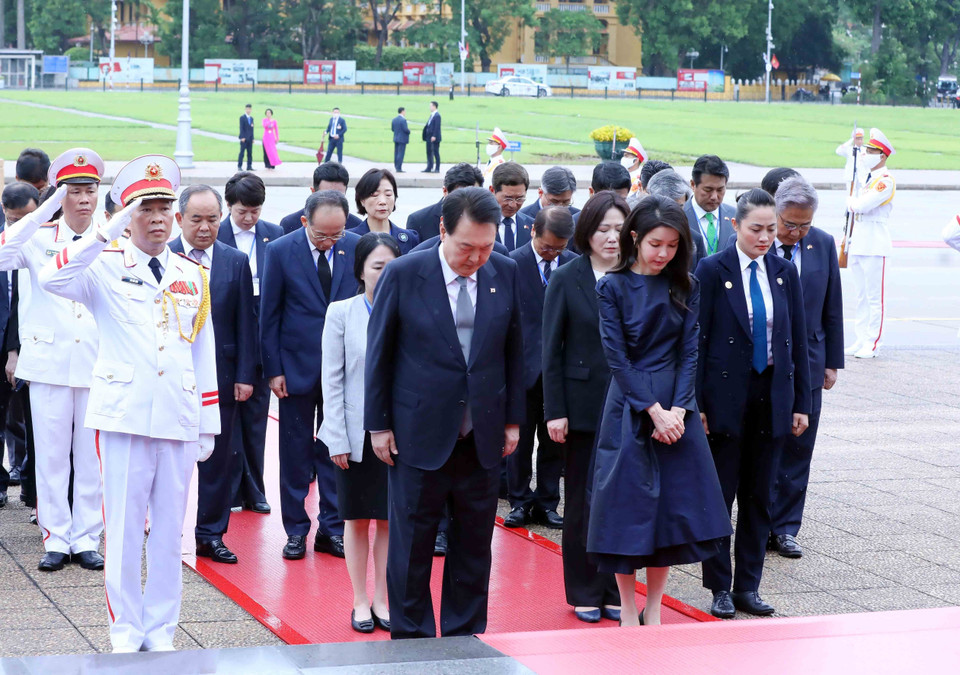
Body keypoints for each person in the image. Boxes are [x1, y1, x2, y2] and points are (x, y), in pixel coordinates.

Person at [39, 154, 219, 653]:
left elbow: (201, 350)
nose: (157, 219)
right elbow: (52, 279)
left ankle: (161, 631)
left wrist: (207, 421)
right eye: (145, 209)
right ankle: (125, 631)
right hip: (123, 415)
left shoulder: (191, 272)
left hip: (177, 415)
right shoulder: (102, 264)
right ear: (125, 214)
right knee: (121, 531)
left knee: (169, 532)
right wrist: (104, 233)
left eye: (164, 209)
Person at [365, 187, 524, 639]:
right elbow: (380, 354)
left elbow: (515, 350)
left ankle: (465, 636)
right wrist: (378, 425)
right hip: (418, 430)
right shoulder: (404, 273)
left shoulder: (504, 271)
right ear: (442, 230)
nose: (476, 258)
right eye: (466, 247)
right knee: (412, 545)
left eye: (486, 247)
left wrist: (513, 420)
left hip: (482, 432)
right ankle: (412, 640)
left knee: (473, 545)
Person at [588, 195, 731, 627]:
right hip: (630, 405)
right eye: (655, 244)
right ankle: (628, 608)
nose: (663, 253)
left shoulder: (686, 284)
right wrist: (654, 411)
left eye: (672, 245)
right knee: (625, 508)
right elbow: (617, 359)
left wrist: (680, 411)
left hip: (675, 404)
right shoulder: (612, 287)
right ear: (635, 237)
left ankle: (655, 607)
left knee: (670, 509)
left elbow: (690, 352)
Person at [695, 188, 811, 619]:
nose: (764, 238)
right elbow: (698, 341)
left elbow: (796, 340)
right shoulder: (712, 270)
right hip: (725, 398)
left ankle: (748, 586)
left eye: (770, 230)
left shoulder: (783, 272)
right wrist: (696, 403)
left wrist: (801, 403)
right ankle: (719, 587)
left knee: (760, 496)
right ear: (735, 226)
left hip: (771, 396)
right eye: (756, 229)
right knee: (720, 496)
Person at [0, 149, 106, 573]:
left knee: (91, 458)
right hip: (48, 362)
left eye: (89, 191)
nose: (83, 199)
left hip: (97, 363)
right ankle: (56, 538)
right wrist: (43, 212)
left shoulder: (112, 238)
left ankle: (87, 537)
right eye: (73, 191)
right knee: (50, 456)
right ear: (60, 195)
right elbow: (3, 252)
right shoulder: (39, 237)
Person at [260, 191, 360, 561]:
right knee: (295, 453)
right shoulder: (280, 250)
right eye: (322, 235)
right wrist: (274, 369)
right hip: (295, 369)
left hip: (343, 371)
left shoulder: (356, 247)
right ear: (305, 222)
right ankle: (296, 530)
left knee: (336, 451)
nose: (330, 241)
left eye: (337, 234)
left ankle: (332, 529)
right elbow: (269, 314)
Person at [542, 190, 626, 623]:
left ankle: (615, 587)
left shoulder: (637, 273)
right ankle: (584, 590)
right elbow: (551, 350)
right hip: (582, 407)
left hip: (629, 407)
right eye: (603, 229)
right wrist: (554, 409)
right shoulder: (567, 277)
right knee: (581, 501)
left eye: (619, 229)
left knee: (620, 502)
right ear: (587, 232)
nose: (612, 238)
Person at [319, 232, 400, 634]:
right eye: (377, 267)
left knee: (388, 520)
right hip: (353, 433)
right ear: (361, 270)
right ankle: (359, 599)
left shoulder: (408, 309)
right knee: (355, 519)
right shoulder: (341, 312)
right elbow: (331, 379)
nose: (385, 274)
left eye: (392, 267)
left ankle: (383, 597)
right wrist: (336, 436)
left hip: (396, 435)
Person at [171, 185, 257, 564]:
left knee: (219, 460)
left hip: (220, 377)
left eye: (212, 219)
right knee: (169, 459)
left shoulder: (235, 261)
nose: (205, 227)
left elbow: (245, 323)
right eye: (196, 219)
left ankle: (210, 535)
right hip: (172, 376)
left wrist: (245, 375)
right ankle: (166, 531)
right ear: (180, 219)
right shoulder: (163, 256)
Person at [765, 176, 843, 559]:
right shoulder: (757, 241)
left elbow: (833, 305)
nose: (795, 232)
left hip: (809, 361)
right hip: (766, 361)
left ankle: (785, 528)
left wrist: (833, 362)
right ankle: (757, 522)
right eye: (789, 224)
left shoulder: (823, 243)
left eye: (804, 225)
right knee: (765, 445)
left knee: (799, 448)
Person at [504, 206, 576, 530]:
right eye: (547, 247)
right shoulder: (512, 264)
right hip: (522, 368)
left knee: (554, 442)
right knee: (518, 442)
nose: (552, 253)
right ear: (533, 231)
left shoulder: (573, 265)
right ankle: (519, 501)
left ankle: (548, 503)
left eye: (559, 248)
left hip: (559, 371)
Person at [217, 173, 284, 515]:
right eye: (242, 211)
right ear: (229, 206)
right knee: (226, 422)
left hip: (261, 329)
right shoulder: (216, 234)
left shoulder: (274, 234)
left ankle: (255, 490)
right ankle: (228, 491)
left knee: (257, 418)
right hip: (227, 329)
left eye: (255, 211)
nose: (249, 218)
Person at [845, 128, 895, 360]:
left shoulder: (885, 182)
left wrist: (851, 201)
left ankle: (872, 343)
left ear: (882, 156)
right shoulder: (868, 180)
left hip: (876, 242)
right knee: (861, 296)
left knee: (875, 298)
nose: (866, 154)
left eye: (871, 151)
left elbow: (861, 205)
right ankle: (861, 339)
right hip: (860, 240)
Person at [405, 163, 483, 242]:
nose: (468, 201)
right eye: (461, 196)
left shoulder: (487, 219)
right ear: (445, 191)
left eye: (475, 195)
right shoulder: (418, 221)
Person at [279, 163, 363, 235]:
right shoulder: (290, 224)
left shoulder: (356, 226)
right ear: (313, 192)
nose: (332, 202)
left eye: (338, 196)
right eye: (326, 196)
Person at [348, 169, 419, 254]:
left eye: (388, 195)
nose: (382, 201)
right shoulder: (349, 239)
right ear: (362, 200)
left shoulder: (410, 238)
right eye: (375, 195)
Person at [686, 154, 735, 265]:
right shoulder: (679, 217)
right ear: (693, 185)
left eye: (720, 190)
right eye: (708, 190)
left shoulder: (735, 215)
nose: (714, 196)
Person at [491, 162, 534, 252]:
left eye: (519, 198)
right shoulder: (478, 225)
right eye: (508, 198)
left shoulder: (532, 226)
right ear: (492, 191)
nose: (513, 205)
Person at [422, 101, 442, 173]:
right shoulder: (432, 115)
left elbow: (437, 127)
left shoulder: (437, 116)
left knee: (435, 152)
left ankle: (437, 168)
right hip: (428, 137)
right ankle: (429, 167)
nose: (430, 107)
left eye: (431, 106)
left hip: (434, 138)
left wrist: (434, 135)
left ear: (434, 106)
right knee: (429, 152)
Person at [391, 107, 410, 173]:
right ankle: (399, 167)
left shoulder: (394, 119)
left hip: (396, 138)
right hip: (402, 139)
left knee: (396, 153)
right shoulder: (403, 120)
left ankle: (396, 166)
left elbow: (392, 129)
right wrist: (409, 131)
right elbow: (405, 129)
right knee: (401, 153)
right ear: (402, 111)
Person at [238, 104, 254, 171]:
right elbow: (241, 128)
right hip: (244, 138)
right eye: (247, 109)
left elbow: (252, 129)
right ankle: (239, 166)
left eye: (249, 109)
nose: (248, 110)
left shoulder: (251, 118)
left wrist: (252, 138)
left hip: (250, 138)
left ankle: (249, 166)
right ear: (245, 109)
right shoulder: (242, 118)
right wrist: (242, 137)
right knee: (242, 153)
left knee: (249, 153)